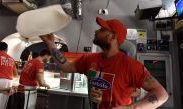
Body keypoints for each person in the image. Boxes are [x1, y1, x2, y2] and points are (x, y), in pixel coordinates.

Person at [40, 17, 169, 109]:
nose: (96, 31)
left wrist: (132, 107)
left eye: (102, 30)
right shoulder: (89, 59)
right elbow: (66, 66)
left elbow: (161, 94)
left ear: (113, 37)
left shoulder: (131, 66)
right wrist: (50, 43)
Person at [0, 41, 18, 109]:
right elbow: (16, 74)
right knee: (3, 104)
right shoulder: (11, 59)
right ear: (6, 49)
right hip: (9, 82)